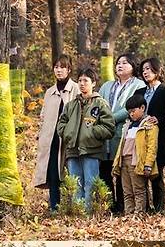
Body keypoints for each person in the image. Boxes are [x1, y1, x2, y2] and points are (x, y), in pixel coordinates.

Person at [56, 68, 115, 211]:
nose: (82, 84)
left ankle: (90, 213)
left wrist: (92, 132)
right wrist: (68, 133)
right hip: (73, 150)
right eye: (80, 80)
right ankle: (78, 212)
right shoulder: (71, 104)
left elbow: (109, 127)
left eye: (86, 81)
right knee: (75, 183)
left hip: (92, 150)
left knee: (90, 182)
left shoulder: (100, 104)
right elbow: (61, 124)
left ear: (93, 83)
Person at [99, 53, 146, 212]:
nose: (120, 65)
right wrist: (103, 120)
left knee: (122, 171)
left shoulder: (138, 85)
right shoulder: (106, 85)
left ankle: (122, 206)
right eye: (118, 63)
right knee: (105, 171)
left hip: (124, 133)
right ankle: (109, 206)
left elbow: (132, 108)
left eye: (125, 63)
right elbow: (98, 105)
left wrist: (109, 119)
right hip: (104, 135)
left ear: (133, 67)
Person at [33, 55, 80, 211]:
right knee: (53, 174)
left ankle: (73, 207)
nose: (59, 70)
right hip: (51, 140)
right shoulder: (50, 92)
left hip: (68, 139)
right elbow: (43, 116)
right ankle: (55, 208)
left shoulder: (76, 89)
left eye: (62, 67)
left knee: (69, 174)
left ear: (69, 69)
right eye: (56, 67)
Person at [112, 94, 158, 215]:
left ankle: (139, 213)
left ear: (142, 108)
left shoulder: (149, 125)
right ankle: (129, 213)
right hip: (124, 161)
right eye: (129, 112)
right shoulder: (127, 125)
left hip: (137, 161)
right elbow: (122, 145)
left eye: (134, 111)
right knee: (127, 190)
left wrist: (148, 164)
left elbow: (151, 147)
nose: (131, 114)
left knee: (138, 189)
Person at [141, 57, 165, 212]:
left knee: (156, 173)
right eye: (144, 69)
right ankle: (145, 207)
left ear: (157, 70)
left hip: (158, 137)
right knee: (140, 172)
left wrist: (158, 119)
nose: (146, 72)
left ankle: (159, 207)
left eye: (149, 69)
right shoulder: (140, 91)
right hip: (140, 137)